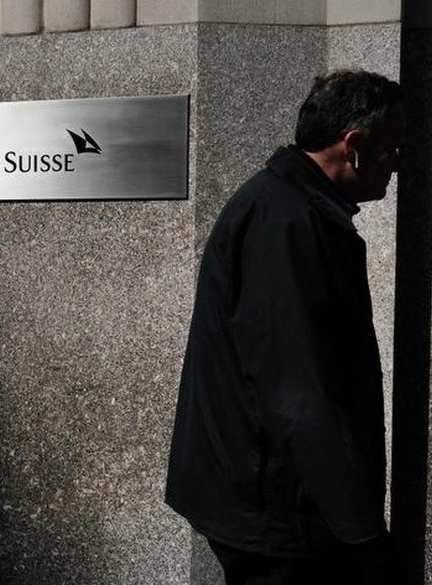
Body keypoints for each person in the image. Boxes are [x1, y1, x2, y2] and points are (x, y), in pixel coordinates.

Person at [165, 70, 405, 585]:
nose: (397, 164)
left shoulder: (294, 208)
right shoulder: (287, 222)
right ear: (353, 146)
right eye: (390, 149)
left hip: (273, 498)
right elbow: (298, 391)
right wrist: (362, 533)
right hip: (277, 508)